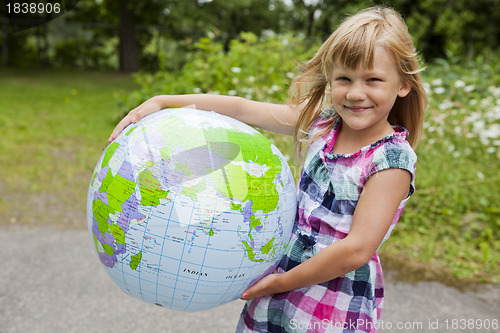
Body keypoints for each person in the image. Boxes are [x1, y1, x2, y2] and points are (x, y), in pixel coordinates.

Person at [109, 6, 427, 332]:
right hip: (279, 286)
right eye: (344, 78)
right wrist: (165, 101)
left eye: (372, 80)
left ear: (403, 84)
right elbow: (243, 109)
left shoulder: (391, 160)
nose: (356, 93)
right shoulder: (323, 124)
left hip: (330, 304)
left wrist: (281, 282)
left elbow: (356, 249)